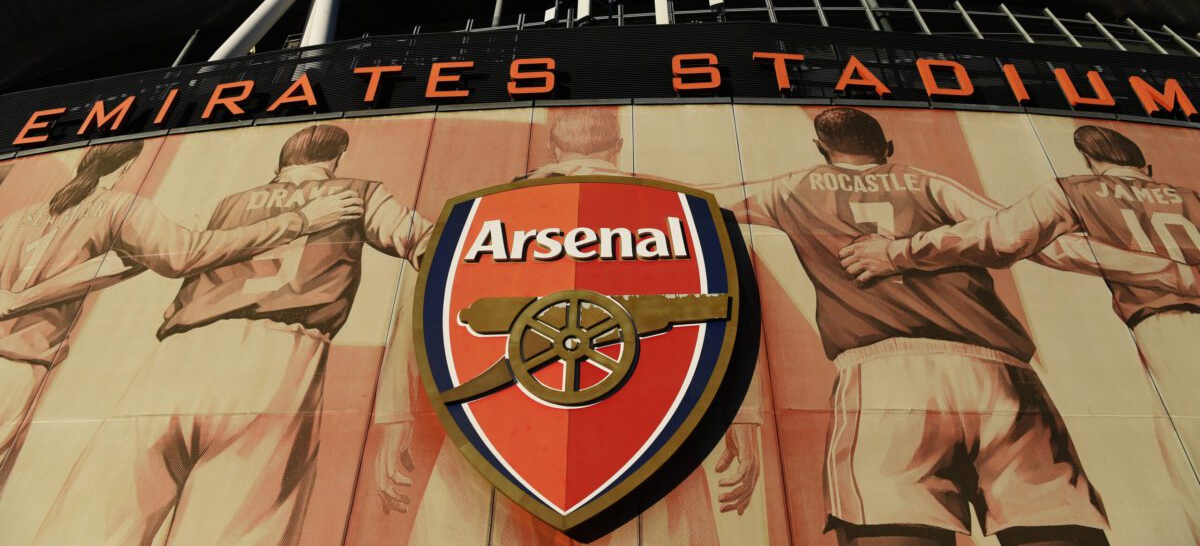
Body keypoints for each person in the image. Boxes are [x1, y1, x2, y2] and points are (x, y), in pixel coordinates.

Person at [708, 106, 1108, 546]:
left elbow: (701, 200)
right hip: (1002, 374)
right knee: (1054, 527)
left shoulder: (789, 188)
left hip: (888, 376)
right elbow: (1018, 235)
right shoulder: (927, 182)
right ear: (888, 149)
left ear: (821, 150)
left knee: (893, 527)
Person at [373, 106, 762, 543]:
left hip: (494, 427)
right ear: (617, 147)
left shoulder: (479, 215)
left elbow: (421, 314)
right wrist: (743, 418)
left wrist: (395, 419)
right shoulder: (679, 214)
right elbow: (733, 319)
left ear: (552, 147)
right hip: (647, 423)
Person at [35, 124, 432, 546]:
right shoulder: (357, 193)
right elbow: (427, 242)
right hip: (279, 358)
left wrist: (33, 294)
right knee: (236, 531)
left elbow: (144, 256)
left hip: (178, 355)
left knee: (91, 526)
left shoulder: (228, 203)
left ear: (279, 166)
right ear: (335, 161)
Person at [840, 124, 1200, 518]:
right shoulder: (1191, 197)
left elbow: (1001, 237)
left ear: (1091, 163)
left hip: (1171, 325)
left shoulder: (1074, 189)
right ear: (1145, 167)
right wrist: (1162, 268)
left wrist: (898, 252)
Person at [0, 139, 360, 483]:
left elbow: (115, 265)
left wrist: (22, 298)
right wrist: (299, 221)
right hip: (17, 367)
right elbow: (183, 255)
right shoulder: (121, 208)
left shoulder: (18, 218)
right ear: (127, 165)